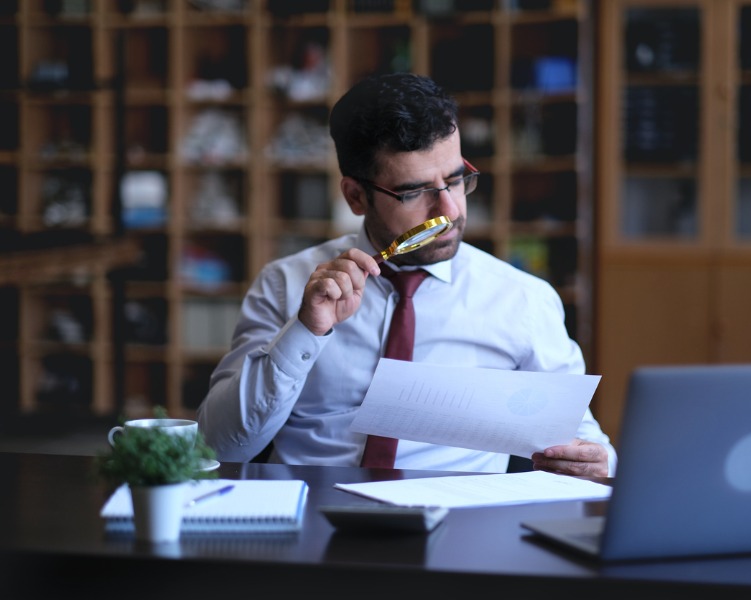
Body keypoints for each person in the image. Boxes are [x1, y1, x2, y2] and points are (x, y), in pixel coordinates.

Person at [197, 72, 617, 477]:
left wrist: (595, 462)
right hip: (312, 517)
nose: (449, 212)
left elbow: (584, 444)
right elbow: (219, 447)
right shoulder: (284, 285)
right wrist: (305, 330)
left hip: (457, 528)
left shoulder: (523, 300)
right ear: (356, 196)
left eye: (455, 181)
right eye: (414, 192)